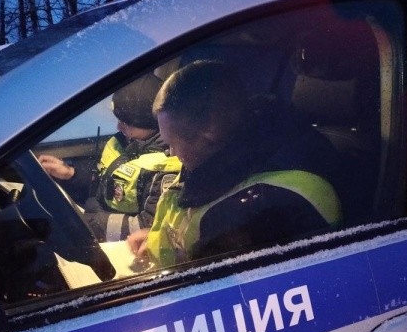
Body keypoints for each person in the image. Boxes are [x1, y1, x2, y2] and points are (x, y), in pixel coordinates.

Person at [128, 61, 343, 268]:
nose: (172, 153)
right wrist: (156, 240)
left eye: (174, 143)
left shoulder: (256, 209)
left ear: (210, 130)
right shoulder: (216, 163)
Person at [39, 73, 181, 242]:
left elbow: (149, 226)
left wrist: (94, 224)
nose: (118, 126)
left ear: (151, 123)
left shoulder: (166, 167)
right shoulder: (126, 142)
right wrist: (71, 174)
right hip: (95, 218)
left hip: (124, 246)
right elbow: (106, 183)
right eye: (119, 119)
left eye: (126, 123)